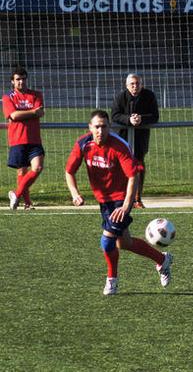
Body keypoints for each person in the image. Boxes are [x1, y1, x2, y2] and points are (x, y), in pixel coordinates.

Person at [64, 110, 172, 296]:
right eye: (96, 126)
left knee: (107, 241)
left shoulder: (119, 146)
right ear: (90, 128)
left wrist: (126, 205)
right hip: (103, 200)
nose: (100, 130)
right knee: (124, 243)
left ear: (110, 127)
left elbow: (133, 176)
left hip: (121, 198)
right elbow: (69, 171)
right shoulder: (83, 144)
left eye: (104, 126)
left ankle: (111, 281)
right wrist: (75, 194)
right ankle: (162, 259)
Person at [111, 73, 159, 209]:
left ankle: (137, 198)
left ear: (141, 84)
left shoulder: (149, 96)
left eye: (137, 83)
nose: (135, 86)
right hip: (122, 137)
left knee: (138, 166)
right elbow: (114, 115)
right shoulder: (121, 97)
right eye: (132, 84)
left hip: (140, 137)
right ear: (127, 86)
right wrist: (129, 120)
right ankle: (121, 197)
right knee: (120, 166)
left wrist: (140, 119)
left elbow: (155, 116)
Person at [3, 67, 45, 210]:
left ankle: (16, 194)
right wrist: (32, 112)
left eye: (23, 79)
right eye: (18, 79)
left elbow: (40, 112)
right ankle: (27, 203)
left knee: (37, 167)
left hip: (34, 139)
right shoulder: (7, 97)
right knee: (21, 172)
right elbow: (13, 116)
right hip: (17, 139)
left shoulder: (36, 95)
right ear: (12, 82)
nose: (21, 82)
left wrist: (25, 113)